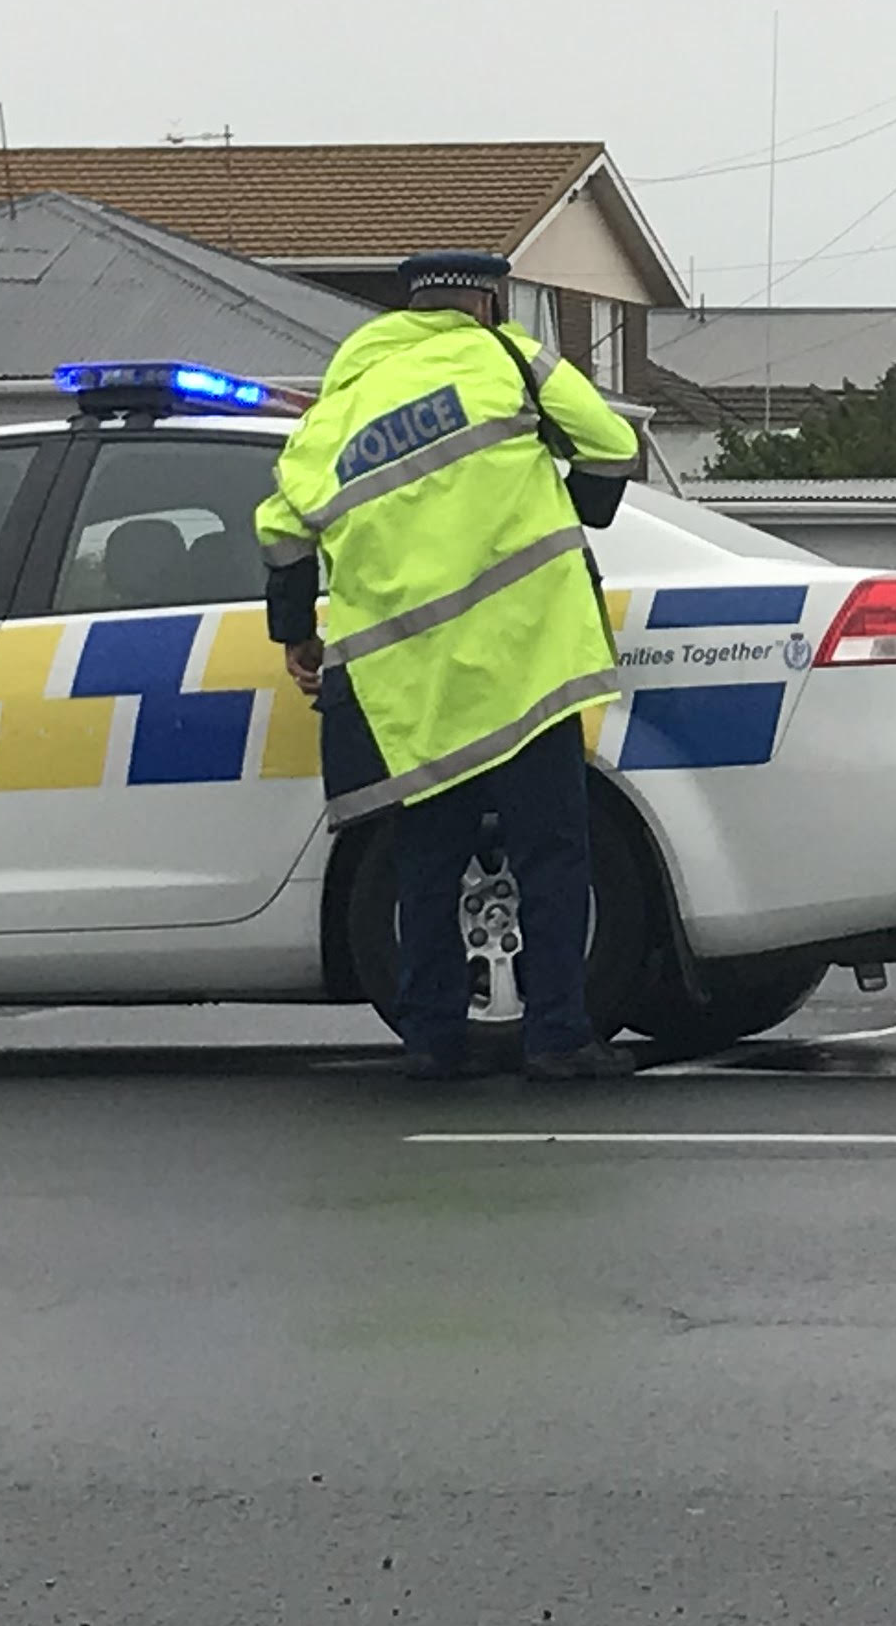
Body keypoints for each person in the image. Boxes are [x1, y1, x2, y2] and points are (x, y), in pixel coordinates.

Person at [258, 250, 646, 1081]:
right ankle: (556, 1036)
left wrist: (295, 631)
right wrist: (566, 493)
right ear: (488, 300)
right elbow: (613, 447)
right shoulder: (511, 358)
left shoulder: (338, 410)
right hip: (522, 662)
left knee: (425, 864)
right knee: (551, 854)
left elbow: (281, 533)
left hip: (412, 691)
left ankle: (431, 1041)